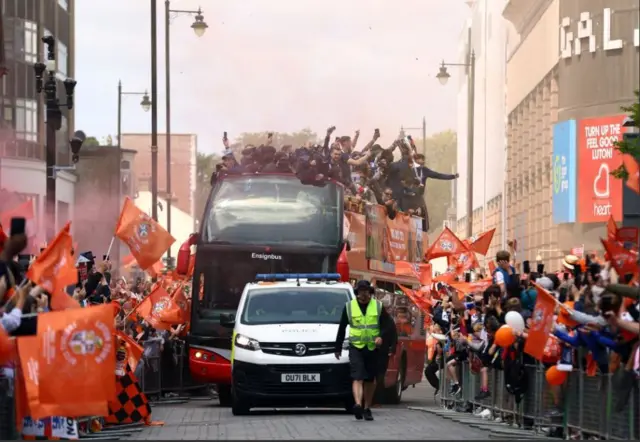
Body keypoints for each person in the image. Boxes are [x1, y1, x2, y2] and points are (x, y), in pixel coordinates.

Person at [334, 280, 394, 421]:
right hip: (356, 347)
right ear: (357, 292)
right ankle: (357, 405)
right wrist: (337, 348)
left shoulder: (378, 306)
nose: (364, 294)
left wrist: (381, 336)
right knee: (357, 376)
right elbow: (342, 328)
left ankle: (367, 407)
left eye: (366, 291)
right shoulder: (349, 307)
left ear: (370, 292)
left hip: (373, 348)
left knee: (370, 380)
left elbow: (388, 326)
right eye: (361, 291)